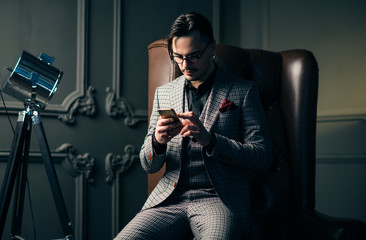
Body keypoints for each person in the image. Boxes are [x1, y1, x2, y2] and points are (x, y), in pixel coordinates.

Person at [114, 12, 272, 240]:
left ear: (211, 48)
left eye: (194, 56)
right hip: (169, 199)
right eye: (177, 57)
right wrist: (157, 142)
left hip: (218, 199)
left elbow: (263, 156)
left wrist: (212, 141)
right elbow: (148, 164)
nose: (185, 65)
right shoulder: (164, 93)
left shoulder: (243, 91)